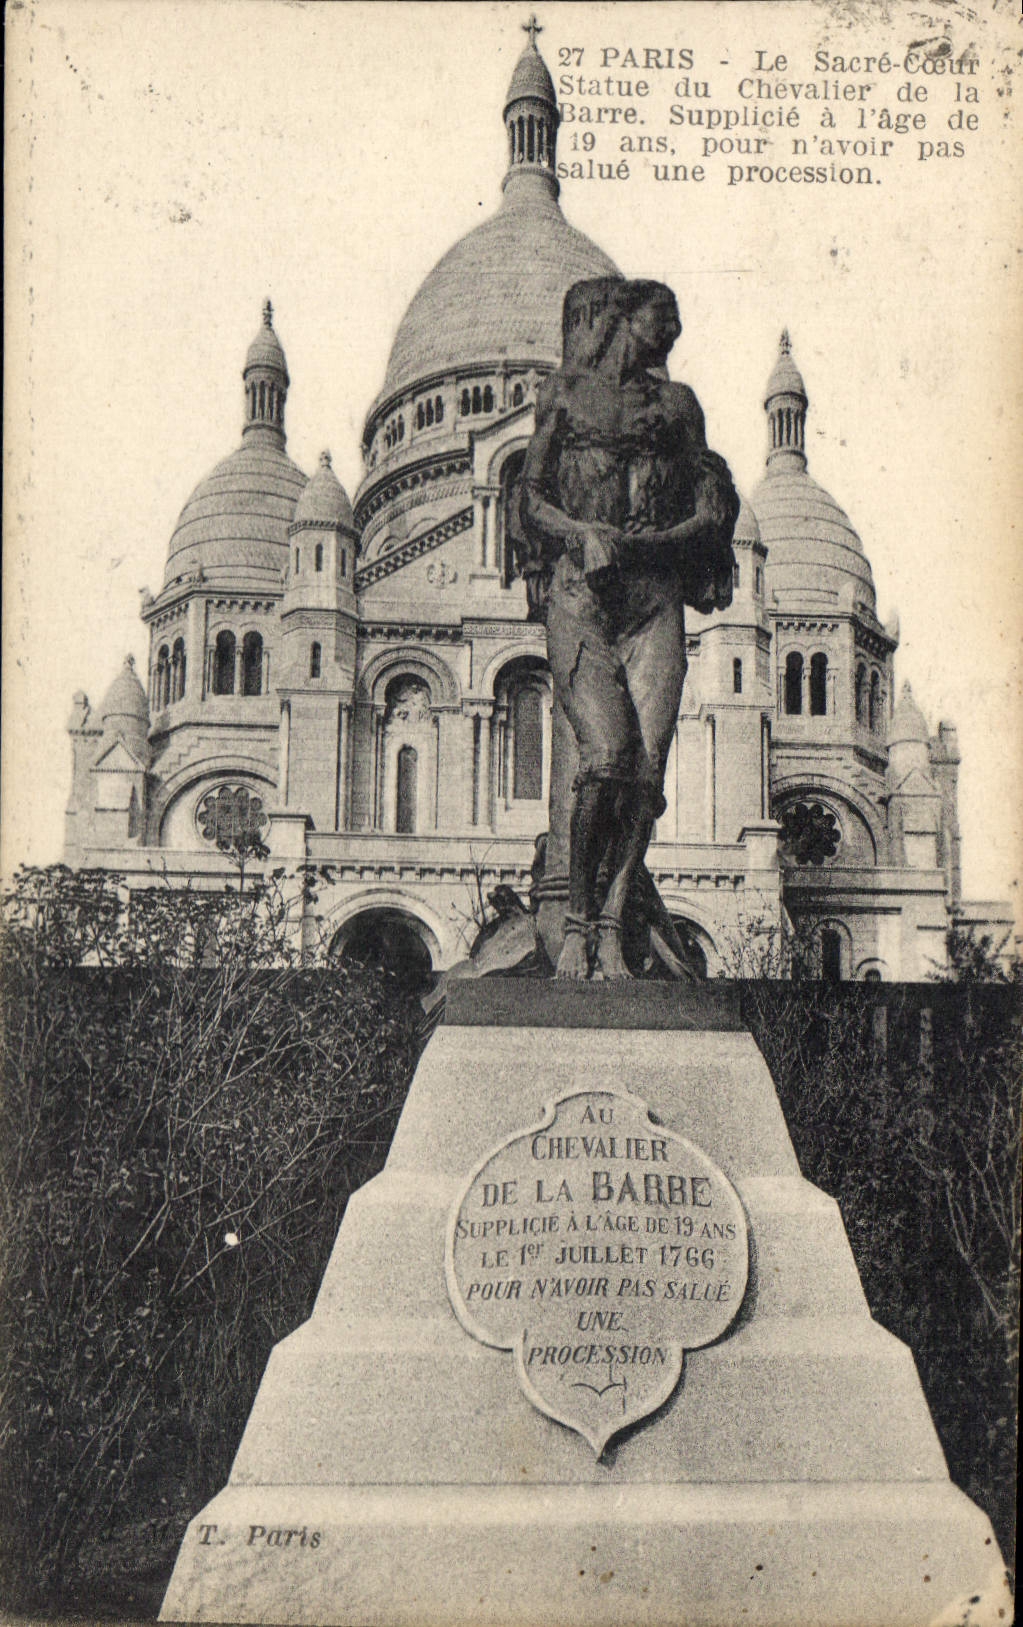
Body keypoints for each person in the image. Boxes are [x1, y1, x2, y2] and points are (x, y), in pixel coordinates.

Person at [520, 277, 738, 979]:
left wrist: (704, 519)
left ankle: (613, 924)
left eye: (675, 324)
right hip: (581, 590)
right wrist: (580, 533)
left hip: (653, 595)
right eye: (659, 318)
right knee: (607, 757)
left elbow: (709, 491)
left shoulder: (677, 405)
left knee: (644, 776)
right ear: (620, 318)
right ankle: (577, 918)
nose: (670, 330)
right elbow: (527, 495)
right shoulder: (565, 393)